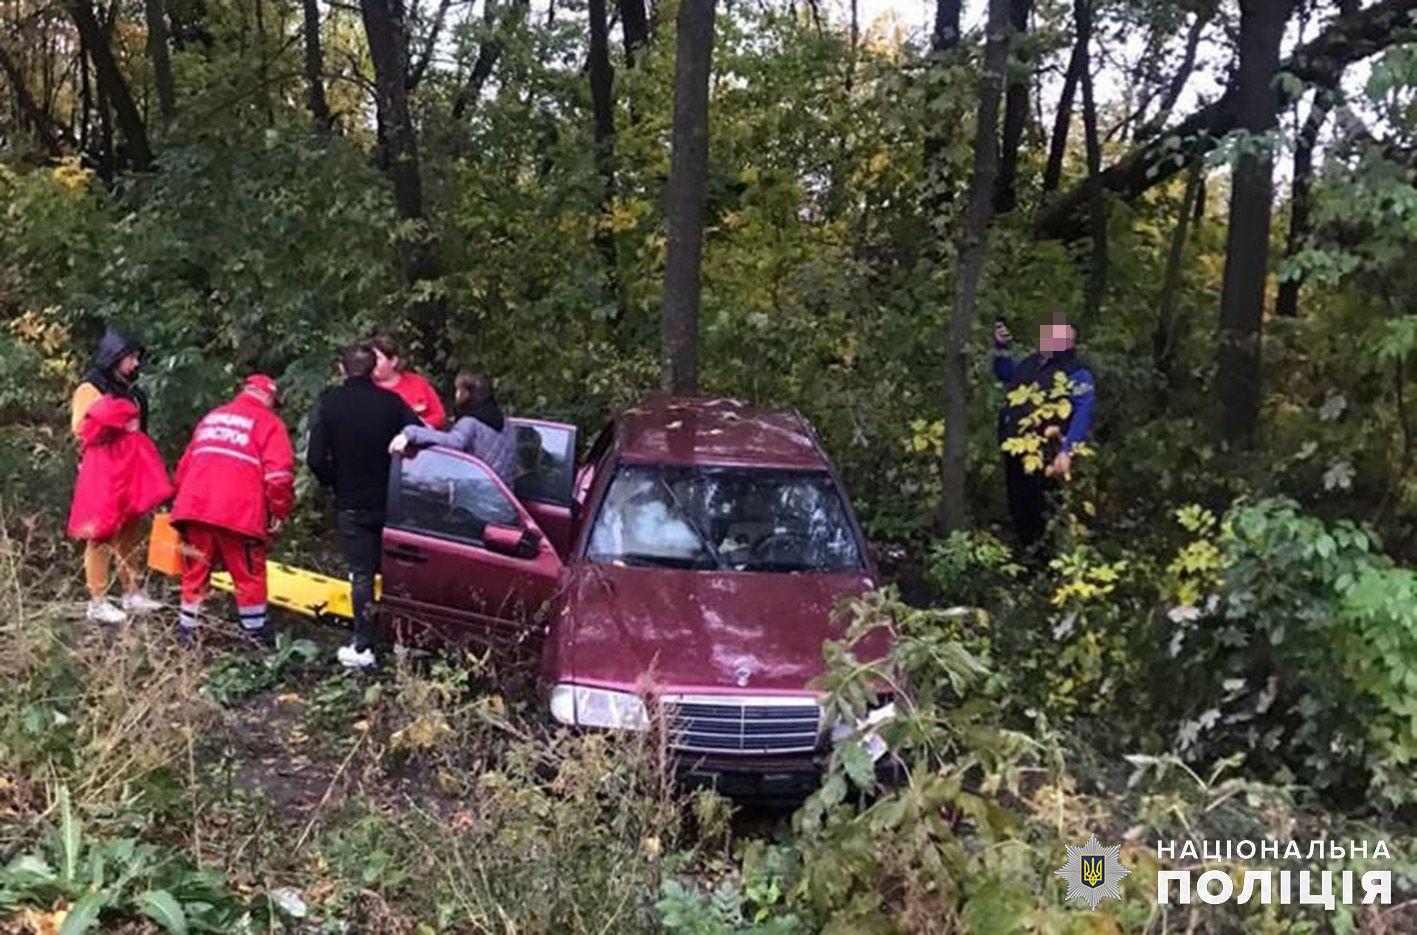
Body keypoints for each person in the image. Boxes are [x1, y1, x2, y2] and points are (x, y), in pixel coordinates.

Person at [307, 344, 418, 669]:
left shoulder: (329, 404)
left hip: (351, 501)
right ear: (373, 369)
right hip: (391, 500)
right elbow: (419, 436)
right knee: (400, 572)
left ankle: (363, 644)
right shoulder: (392, 403)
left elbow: (315, 458)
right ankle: (403, 642)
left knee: (362, 574)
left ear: (342, 368)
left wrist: (333, 480)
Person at [170, 375, 295, 645]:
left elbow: (184, 468)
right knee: (248, 574)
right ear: (269, 398)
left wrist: (181, 499)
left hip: (195, 507)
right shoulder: (270, 423)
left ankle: (187, 633)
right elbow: (279, 478)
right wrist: (278, 511)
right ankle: (256, 634)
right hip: (239, 513)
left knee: (195, 571)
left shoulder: (213, 417)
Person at [69, 329, 165, 623]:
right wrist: (120, 421)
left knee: (130, 530)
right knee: (101, 531)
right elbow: (81, 428)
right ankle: (97, 600)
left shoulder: (132, 392)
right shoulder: (91, 388)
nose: (135, 364)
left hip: (129, 468)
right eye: (131, 357)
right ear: (115, 358)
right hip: (103, 469)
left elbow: (140, 431)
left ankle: (131, 591)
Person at [993, 317, 1096, 551]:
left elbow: (1083, 412)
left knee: (1045, 508)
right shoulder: (1031, 363)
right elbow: (1006, 374)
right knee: (1019, 504)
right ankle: (1026, 554)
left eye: (1054, 336)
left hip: (1048, 453)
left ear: (1067, 343)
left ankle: (1048, 560)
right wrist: (1001, 348)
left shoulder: (1077, 373)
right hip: (1016, 447)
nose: (1046, 338)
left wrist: (1068, 451)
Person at [389, 371, 515, 482]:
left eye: (457, 390)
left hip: (477, 495)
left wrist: (412, 433)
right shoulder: (504, 420)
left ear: (464, 394)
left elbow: (453, 442)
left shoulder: (469, 422)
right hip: (503, 494)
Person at [369, 334, 446, 429]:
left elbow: (439, 415)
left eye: (377, 358)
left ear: (393, 361)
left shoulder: (418, 383)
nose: (372, 362)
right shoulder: (366, 388)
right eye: (369, 358)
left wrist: (418, 426)